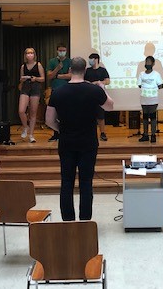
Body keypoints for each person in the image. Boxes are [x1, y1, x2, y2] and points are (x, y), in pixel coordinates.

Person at [45, 57, 114, 221]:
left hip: (66, 142)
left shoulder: (58, 92)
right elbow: (110, 106)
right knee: (86, 182)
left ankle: (68, 221)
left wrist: (61, 129)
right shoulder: (93, 90)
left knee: (66, 182)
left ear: (70, 70)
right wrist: (102, 88)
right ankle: (85, 221)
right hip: (88, 142)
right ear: (84, 71)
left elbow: (49, 120)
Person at [18, 47, 45, 143]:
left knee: (33, 113)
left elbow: (43, 78)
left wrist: (36, 78)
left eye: (31, 53)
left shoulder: (38, 65)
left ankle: (31, 135)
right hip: (25, 87)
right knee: (21, 110)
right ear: (25, 55)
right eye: (28, 53)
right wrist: (23, 79)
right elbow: (21, 78)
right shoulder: (23, 66)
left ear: (34, 55)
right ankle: (25, 126)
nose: (29, 55)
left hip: (35, 87)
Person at [46, 43, 71, 142]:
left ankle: (65, 133)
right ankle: (56, 134)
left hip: (66, 89)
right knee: (55, 112)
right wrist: (57, 69)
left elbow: (70, 76)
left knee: (65, 112)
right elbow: (49, 76)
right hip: (55, 90)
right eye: (60, 50)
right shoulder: (52, 61)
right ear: (57, 51)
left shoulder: (69, 61)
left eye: (63, 50)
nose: (62, 52)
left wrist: (57, 76)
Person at [137, 55, 163, 143]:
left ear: (153, 64)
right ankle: (145, 135)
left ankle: (153, 135)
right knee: (145, 117)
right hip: (144, 98)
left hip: (153, 99)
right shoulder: (141, 74)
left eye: (149, 62)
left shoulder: (156, 74)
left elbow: (161, 85)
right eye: (146, 62)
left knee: (152, 117)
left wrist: (152, 86)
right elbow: (139, 85)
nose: (147, 63)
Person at [84, 52, 111, 141]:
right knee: (88, 115)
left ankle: (102, 133)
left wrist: (98, 82)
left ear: (96, 60)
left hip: (99, 94)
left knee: (100, 115)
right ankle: (89, 133)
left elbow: (107, 81)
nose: (90, 61)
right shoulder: (87, 70)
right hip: (88, 95)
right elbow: (83, 80)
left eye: (91, 59)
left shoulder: (102, 70)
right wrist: (88, 83)